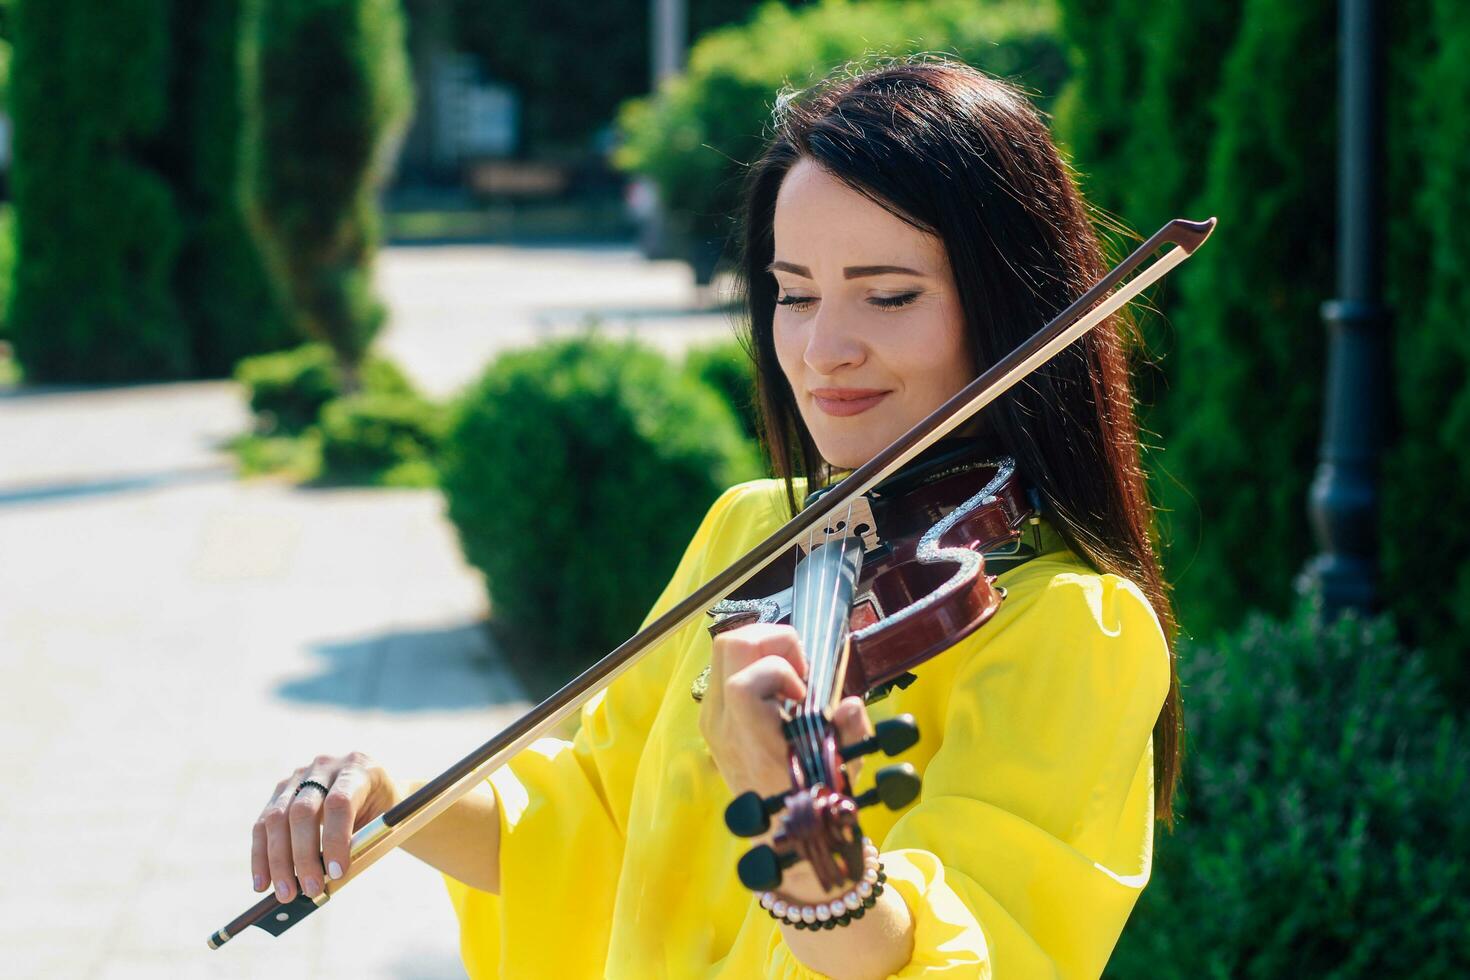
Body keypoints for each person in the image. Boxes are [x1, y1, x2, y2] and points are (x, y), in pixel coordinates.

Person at [248, 57, 1182, 979]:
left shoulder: (1074, 630)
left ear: (1012, 308)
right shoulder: (749, 537)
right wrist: (385, 796)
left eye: (890, 295)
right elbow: (590, 824)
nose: (822, 350)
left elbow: (970, 945)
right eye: (796, 293)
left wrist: (800, 830)